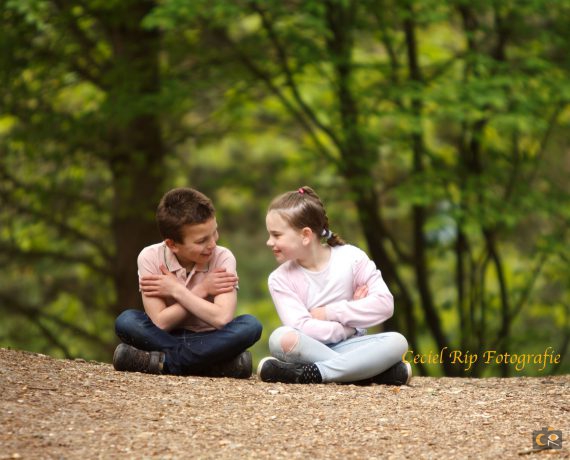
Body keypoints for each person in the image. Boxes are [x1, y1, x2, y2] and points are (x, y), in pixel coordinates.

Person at [257, 186, 411, 385]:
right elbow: (301, 327)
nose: (269, 242)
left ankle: (315, 373)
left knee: (397, 342)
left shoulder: (352, 258)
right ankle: (368, 373)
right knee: (281, 338)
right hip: (310, 349)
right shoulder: (280, 278)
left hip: (351, 347)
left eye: (276, 235)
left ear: (305, 235)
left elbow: (384, 304)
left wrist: (329, 312)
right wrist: (350, 327)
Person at [113, 187, 262, 378]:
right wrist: (202, 289)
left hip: (210, 338)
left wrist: (177, 291)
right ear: (172, 244)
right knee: (127, 321)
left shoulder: (223, 257)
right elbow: (160, 323)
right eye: (202, 241)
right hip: (165, 338)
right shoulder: (150, 257)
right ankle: (211, 366)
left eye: (214, 232)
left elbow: (221, 319)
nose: (213, 244)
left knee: (250, 325)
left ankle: (164, 362)